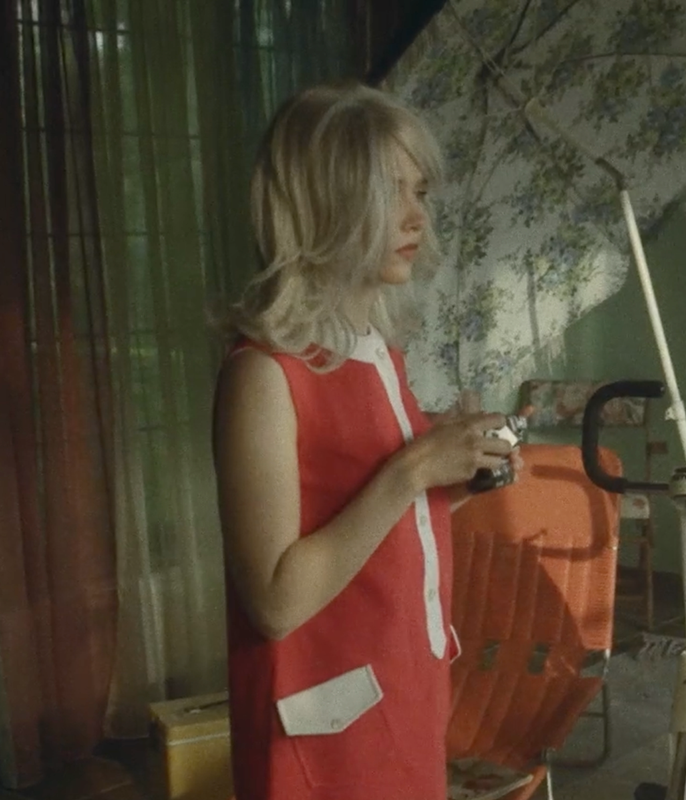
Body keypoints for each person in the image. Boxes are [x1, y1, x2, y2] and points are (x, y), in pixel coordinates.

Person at [212, 80, 515, 800]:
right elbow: (275, 601)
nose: (417, 216)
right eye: (390, 192)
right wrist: (411, 471)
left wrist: (455, 477)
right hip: (323, 728)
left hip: (402, 686)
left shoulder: (376, 353)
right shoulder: (264, 375)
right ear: (324, 204)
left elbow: (368, 526)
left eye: (420, 191)